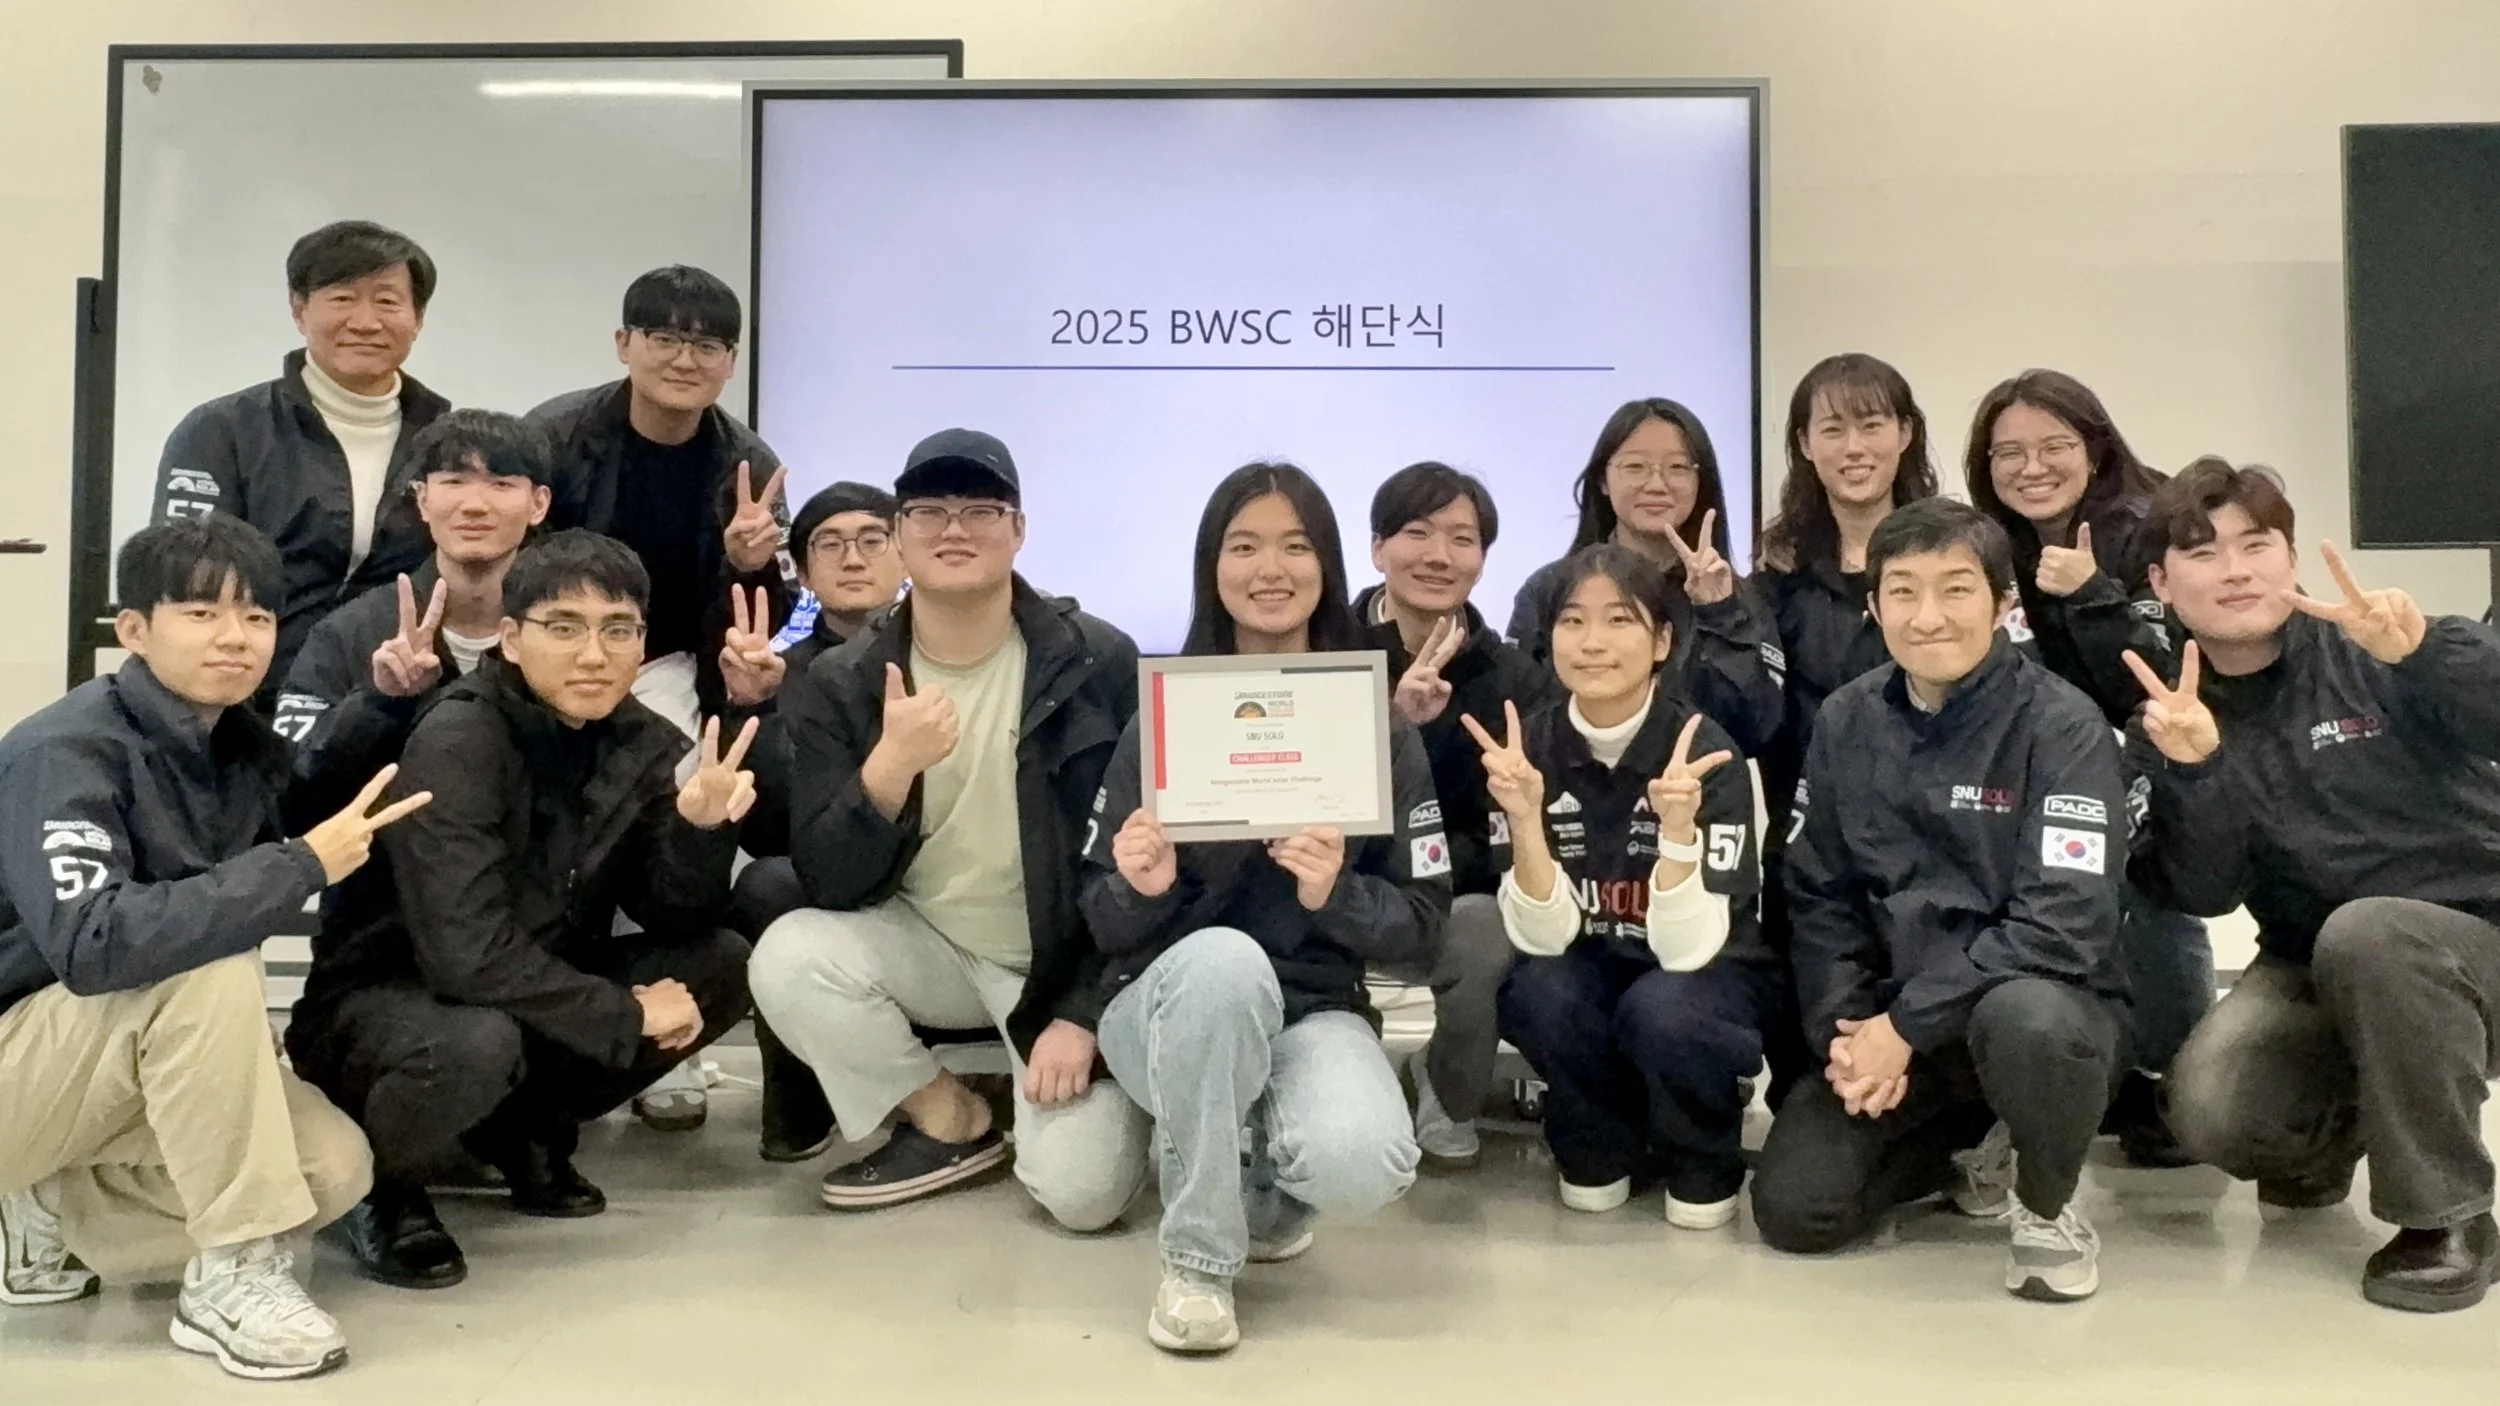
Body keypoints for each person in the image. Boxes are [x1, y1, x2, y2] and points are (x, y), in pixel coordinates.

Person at [0, 516, 429, 1381]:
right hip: (23, 1050)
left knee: (330, 1170)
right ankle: (231, 1275)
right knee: (204, 962)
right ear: (134, 630)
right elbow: (94, 942)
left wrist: (381, 702)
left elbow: (300, 799)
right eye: (201, 613)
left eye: (257, 616)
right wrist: (299, 866)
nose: (236, 637)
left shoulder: (231, 741)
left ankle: (48, 1211)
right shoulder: (64, 751)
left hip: (85, 1071)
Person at [285, 531, 757, 1292]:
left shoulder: (639, 739)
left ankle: (520, 1130)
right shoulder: (459, 736)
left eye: (618, 630)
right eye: (564, 627)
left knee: (721, 964)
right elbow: (462, 953)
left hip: (522, 982)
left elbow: (670, 912)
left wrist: (700, 829)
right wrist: (622, 1013)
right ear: (510, 638)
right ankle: (379, 1186)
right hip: (382, 1004)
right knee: (477, 1041)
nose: (594, 655)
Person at [1081, 462, 1441, 1354]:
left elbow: (1424, 926)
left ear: (1328, 566)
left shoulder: (1376, 724)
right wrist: (1144, 886)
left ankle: (1255, 1180)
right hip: (1163, 1007)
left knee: (1364, 1161)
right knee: (1223, 963)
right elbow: (1098, 916)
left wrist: (1336, 894)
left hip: (1312, 1010)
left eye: (1295, 546)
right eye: (1243, 547)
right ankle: (1197, 1267)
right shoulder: (1161, 716)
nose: (1270, 569)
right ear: (1212, 567)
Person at [2125, 459, 2500, 1313]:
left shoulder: (2377, 646)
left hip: (2479, 936)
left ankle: (2448, 1217)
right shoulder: (2172, 716)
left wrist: (2429, 656)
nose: (2235, 571)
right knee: (2211, 1107)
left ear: (2291, 559)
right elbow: (2203, 893)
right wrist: (2199, 772)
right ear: (2161, 583)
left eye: (2256, 545)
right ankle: (2342, 1132)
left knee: (2375, 933)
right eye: (2203, 553)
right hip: (2318, 966)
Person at [752, 430, 1151, 1223]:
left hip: (1060, 960)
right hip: (929, 943)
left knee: (1083, 1198)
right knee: (789, 956)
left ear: (1019, 530)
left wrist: (1083, 1013)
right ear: (900, 538)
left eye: (981, 510)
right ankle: (951, 1117)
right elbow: (829, 879)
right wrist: (889, 769)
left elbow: (1136, 868)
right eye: (929, 512)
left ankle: (1073, 1080)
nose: (955, 530)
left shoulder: (1097, 660)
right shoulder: (842, 679)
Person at [1751, 498, 2130, 1305]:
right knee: (1797, 1212)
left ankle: (2047, 1204)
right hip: (1897, 1023)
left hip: (2037, 1013)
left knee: (2028, 1020)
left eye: (1956, 589)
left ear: (2002, 604)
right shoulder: (1847, 718)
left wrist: (1905, 1028)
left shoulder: (2063, 725)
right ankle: (1976, 1140)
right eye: (1903, 591)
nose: (1928, 617)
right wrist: (1851, 1036)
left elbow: (2062, 925)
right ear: (1874, 606)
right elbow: (1819, 895)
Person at [529, 263, 791, 1133]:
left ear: (731, 361)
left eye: (708, 344)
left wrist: (752, 564)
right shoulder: (556, 437)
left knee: (672, 836)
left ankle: (664, 1041)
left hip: (674, 668)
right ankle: (555, 1030)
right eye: (666, 337)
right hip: (551, 660)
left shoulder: (749, 463)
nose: (686, 358)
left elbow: (764, 614)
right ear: (624, 344)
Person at [1474, 545, 1776, 1226]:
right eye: (1572, 621)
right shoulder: (1525, 752)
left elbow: (1688, 949)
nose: (1593, 643)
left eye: (1619, 620)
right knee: (1538, 990)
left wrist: (1677, 834)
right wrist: (1523, 817)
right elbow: (1543, 937)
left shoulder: (1705, 750)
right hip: (1585, 963)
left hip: (1701, 972)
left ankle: (1701, 1151)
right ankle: (1598, 1141)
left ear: (1662, 641)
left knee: (1665, 1009)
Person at [1966, 369, 2212, 1167]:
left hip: (2161, 742)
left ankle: (2172, 1084)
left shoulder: (2148, 524)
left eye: (2054, 446)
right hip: (2057, 752)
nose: (2031, 467)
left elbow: (2168, 673)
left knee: (2151, 896)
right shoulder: (1997, 541)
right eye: (2009, 452)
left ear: (2095, 447)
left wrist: (2093, 593)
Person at [1351, 461, 1558, 1171]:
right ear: (1377, 548)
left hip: (1453, 897)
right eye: (1417, 533)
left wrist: (1431, 866)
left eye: (1462, 539)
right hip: (1336, 884)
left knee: (1481, 926)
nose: (1438, 555)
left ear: (1482, 560)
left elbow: (1512, 831)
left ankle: (1445, 1089)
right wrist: (1393, 722)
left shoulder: (1515, 678)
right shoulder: (1324, 652)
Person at [1749, 353, 1940, 1102]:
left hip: (1936, 842)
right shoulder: (1777, 572)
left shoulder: (1951, 550)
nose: (1854, 447)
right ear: (1804, 444)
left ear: (1905, 434)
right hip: (1810, 852)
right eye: (1833, 429)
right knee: (1811, 1080)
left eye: (1872, 424)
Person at [151, 221, 449, 695]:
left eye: (388, 301)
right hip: (247, 698)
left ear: (418, 318)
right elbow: (181, 581)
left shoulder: (446, 441)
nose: (366, 322)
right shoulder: (221, 431)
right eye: (343, 298)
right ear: (299, 309)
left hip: (393, 697)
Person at [732, 481, 908, 1163]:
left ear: (906, 553)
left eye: (872, 539)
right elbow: (763, 831)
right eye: (829, 545)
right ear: (802, 574)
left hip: (941, 859)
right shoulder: (774, 668)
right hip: (838, 870)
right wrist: (758, 709)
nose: (853, 558)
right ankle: (796, 1094)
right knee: (766, 884)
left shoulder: (947, 646)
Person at [273, 409, 555, 764]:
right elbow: (291, 771)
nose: (474, 506)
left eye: (500, 484)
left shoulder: (571, 629)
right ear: (422, 500)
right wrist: (381, 699)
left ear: (538, 504)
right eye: (454, 482)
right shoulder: (351, 630)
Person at [1505, 397, 1781, 757]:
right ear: (1603, 480)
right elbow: (1521, 716)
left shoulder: (1736, 597)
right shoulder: (1548, 588)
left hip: (1701, 784)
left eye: (1677, 467)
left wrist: (1719, 615)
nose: (1656, 484)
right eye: (1635, 466)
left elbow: (1760, 729)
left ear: (1701, 482)